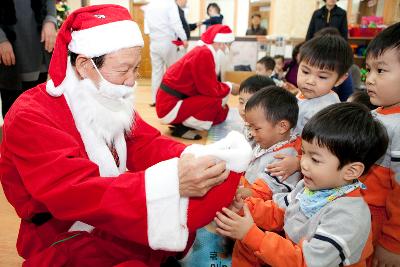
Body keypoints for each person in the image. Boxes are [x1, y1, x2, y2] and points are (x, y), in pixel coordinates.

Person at [0, 5, 254, 266]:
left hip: (107, 206)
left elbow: (145, 143)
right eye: (124, 71)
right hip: (61, 231)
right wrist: (172, 182)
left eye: (135, 70)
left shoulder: (105, 93)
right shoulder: (30, 115)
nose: (132, 81)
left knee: (185, 221)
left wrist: (205, 163)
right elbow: (75, 192)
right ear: (85, 65)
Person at [215, 102, 388, 267]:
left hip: (302, 260)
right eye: (303, 153)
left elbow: (306, 262)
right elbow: (280, 212)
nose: (303, 163)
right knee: (247, 244)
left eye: (314, 159)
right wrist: (245, 207)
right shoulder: (313, 186)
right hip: (293, 252)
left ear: (351, 171)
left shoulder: (348, 217)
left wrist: (251, 235)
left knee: (250, 241)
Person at [266, 34, 352, 182]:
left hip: (303, 170)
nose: (310, 81)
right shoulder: (305, 93)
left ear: (340, 79)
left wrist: (298, 163)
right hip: (286, 152)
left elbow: (327, 154)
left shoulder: (327, 110)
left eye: (322, 77)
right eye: (305, 71)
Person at [156, 24, 239, 140]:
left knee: (222, 109)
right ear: (220, 42)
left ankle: (182, 122)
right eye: (227, 44)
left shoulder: (203, 51)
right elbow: (210, 90)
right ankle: (182, 124)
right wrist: (230, 87)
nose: (226, 48)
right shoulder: (204, 53)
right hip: (170, 105)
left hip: (170, 101)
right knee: (215, 101)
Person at [362, 22, 400, 266]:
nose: (370, 79)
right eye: (368, 70)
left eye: (381, 71)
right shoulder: (379, 113)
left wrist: (393, 243)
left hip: (379, 222)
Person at [240, 86, 301, 201]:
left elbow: (265, 193)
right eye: (249, 127)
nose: (252, 133)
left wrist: (233, 192)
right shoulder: (267, 141)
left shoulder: (285, 158)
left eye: (257, 129)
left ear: (282, 127)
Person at [0, 0, 57, 116]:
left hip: (39, 53)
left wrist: (50, 20)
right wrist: (1, 39)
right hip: (10, 56)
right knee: (14, 116)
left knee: (40, 115)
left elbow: (49, 3)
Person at [144, 0, 188, 107]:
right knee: (173, 71)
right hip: (168, 41)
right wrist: (184, 38)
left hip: (154, 42)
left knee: (156, 72)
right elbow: (176, 23)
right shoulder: (170, 4)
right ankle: (173, 98)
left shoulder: (149, 5)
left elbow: (146, 28)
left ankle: (155, 99)